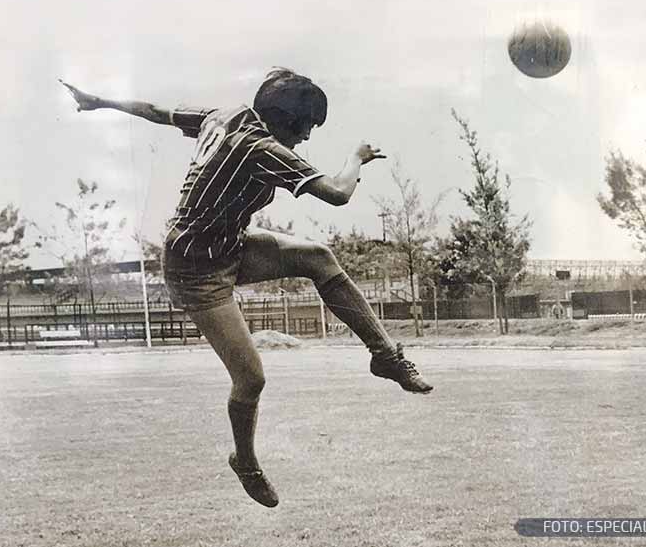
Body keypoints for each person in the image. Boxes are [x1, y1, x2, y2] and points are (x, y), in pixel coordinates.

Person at [60, 69, 433, 508]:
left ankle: (385, 357)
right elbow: (337, 193)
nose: (305, 139)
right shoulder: (260, 148)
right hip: (194, 271)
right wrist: (356, 157)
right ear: (280, 122)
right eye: (305, 129)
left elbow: (157, 111)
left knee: (318, 257)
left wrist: (99, 101)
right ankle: (246, 461)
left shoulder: (224, 116)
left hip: (228, 245)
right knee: (251, 377)